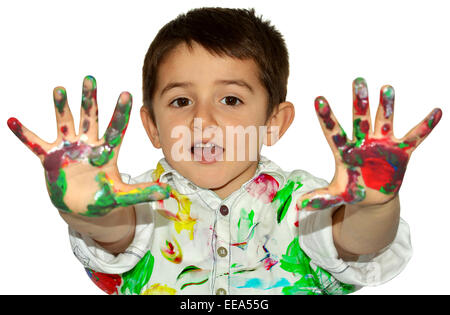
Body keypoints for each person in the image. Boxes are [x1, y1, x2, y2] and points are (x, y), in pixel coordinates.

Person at [7, 7, 442, 295]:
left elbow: (358, 243)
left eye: (230, 100)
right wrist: (88, 211)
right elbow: (113, 230)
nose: (203, 120)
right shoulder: (138, 202)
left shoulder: (307, 203)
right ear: (152, 127)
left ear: (274, 122)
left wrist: (372, 205)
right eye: (180, 101)